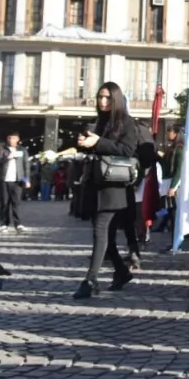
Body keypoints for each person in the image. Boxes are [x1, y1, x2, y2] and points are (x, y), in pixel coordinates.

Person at [73, 82, 140, 299]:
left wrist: (99, 142)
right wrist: (84, 143)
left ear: (116, 99)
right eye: (100, 97)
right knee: (106, 238)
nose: (103, 102)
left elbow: (128, 150)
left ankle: (90, 280)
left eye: (108, 98)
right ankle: (121, 271)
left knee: (100, 231)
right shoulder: (99, 121)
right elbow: (95, 150)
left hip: (114, 188)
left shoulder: (127, 122)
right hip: (95, 184)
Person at [0, 132, 30, 234]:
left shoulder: (22, 150)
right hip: (4, 179)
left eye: (13, 138)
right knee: (4, 203)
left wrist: (26, 180)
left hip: (18, 180)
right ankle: (4, 224)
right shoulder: (2, 150)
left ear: (17, 139)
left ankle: (18, 224)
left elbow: (26, 166)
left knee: (16, 203)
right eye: (9, 138)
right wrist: (7, 158)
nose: (10, 140)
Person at [152, 125, 185, 240]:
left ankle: (175, 241)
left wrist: (173, 186)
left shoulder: (179, 149)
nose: (167, 134)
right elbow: (166, 165)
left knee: (174, 213)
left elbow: (179, 170)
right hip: (167, 182)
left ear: (176, 134)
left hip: (173, 184)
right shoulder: (172, 148)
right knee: (170, 211)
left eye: (169, 132)